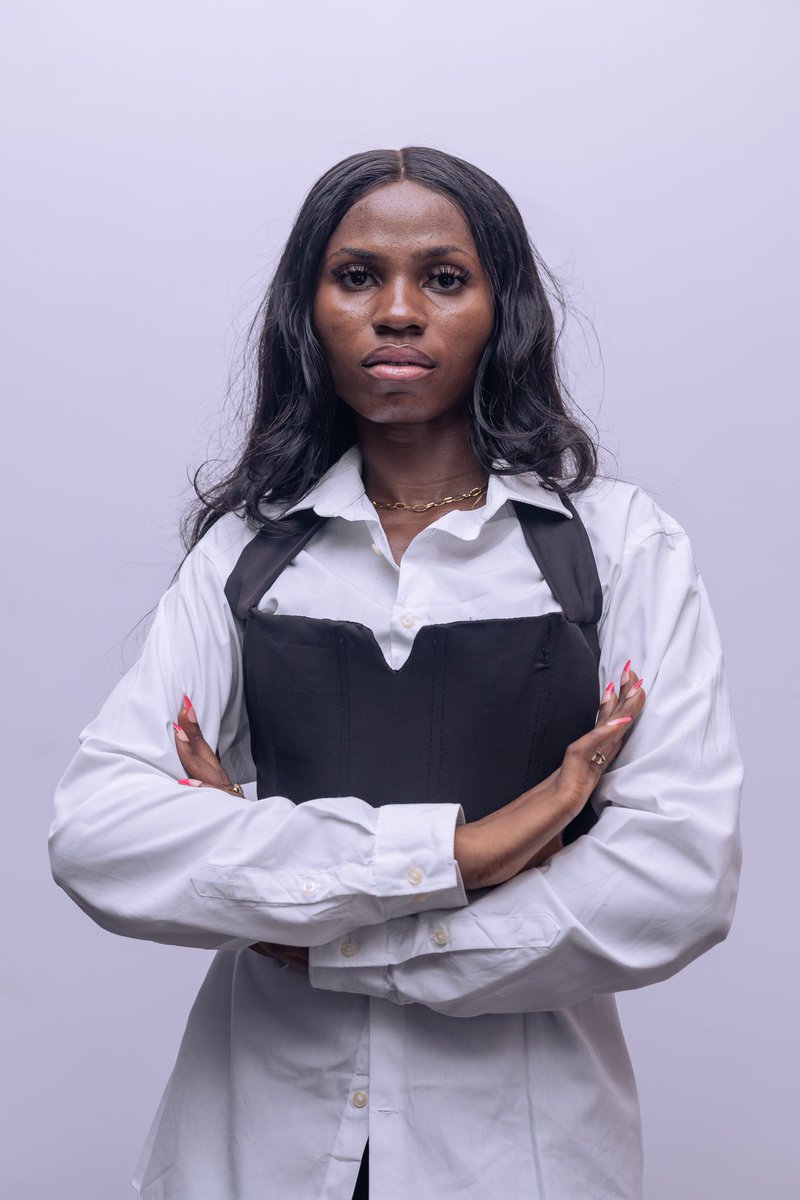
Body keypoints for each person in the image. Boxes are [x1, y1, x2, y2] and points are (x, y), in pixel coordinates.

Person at [49, 147, 743, 1200]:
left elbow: (676, 878)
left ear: (502, 311)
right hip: (253, 1151)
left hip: (519, 1162)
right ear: (308, 310)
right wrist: (465, 853)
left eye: (445, 277)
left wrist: (325, 935)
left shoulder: (619, 547)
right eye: (357, 276)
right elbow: (100, 833)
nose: (399, 311)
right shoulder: (245, 553)